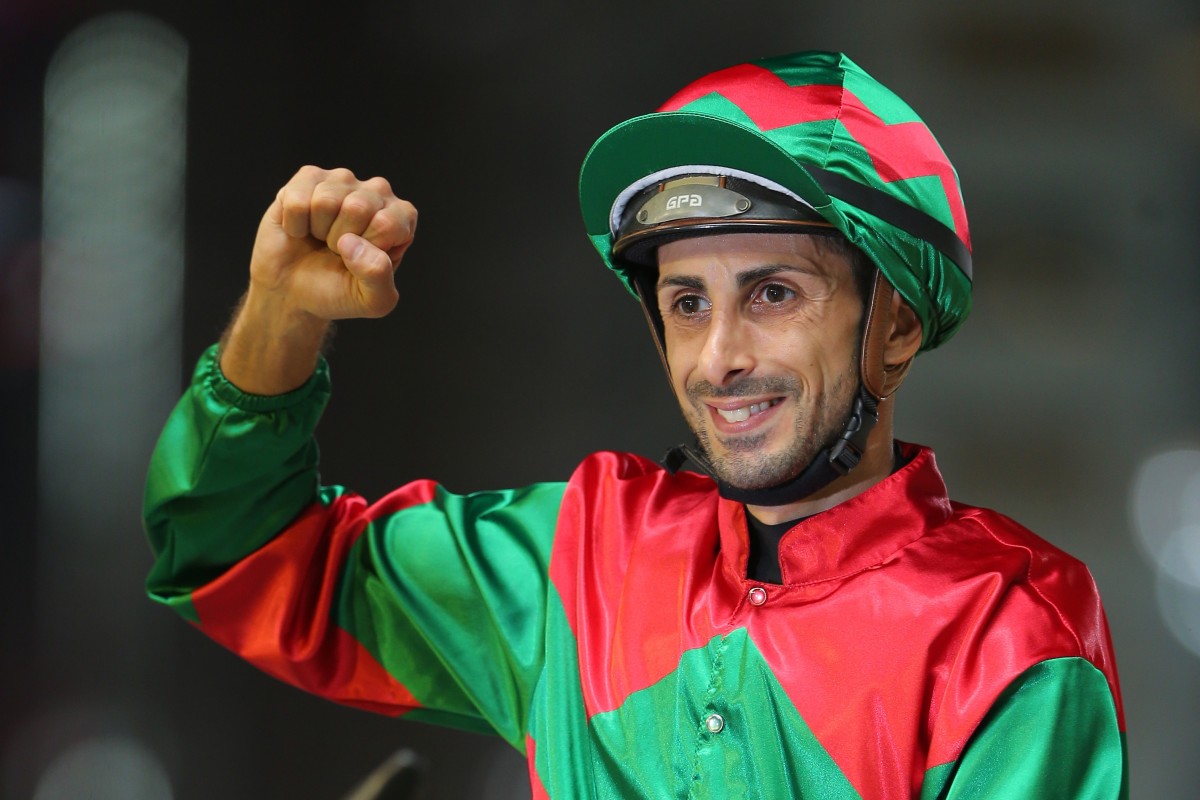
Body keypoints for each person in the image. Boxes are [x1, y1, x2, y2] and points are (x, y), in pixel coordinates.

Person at [144, 51, 1128, 798]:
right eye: (687, 301)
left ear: (898, 323)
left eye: (774, 293)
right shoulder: (576, 553)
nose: (717, 358)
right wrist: (281, 314)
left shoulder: (1011, 630)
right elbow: (237, 559)